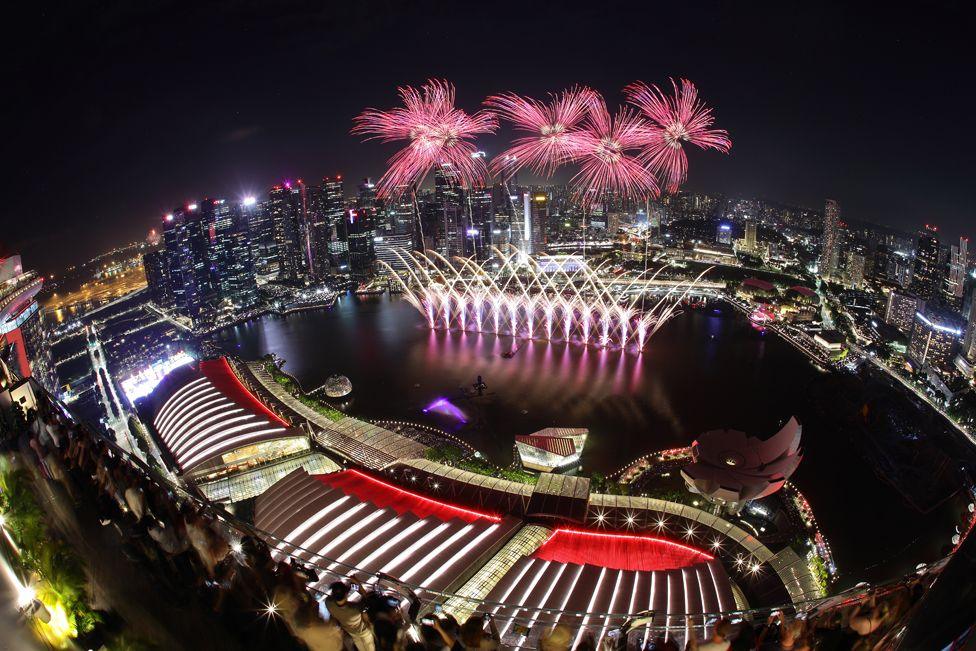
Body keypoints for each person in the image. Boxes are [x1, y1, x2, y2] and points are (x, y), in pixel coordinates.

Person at [324, 581, 375, 651]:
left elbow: (332, 598)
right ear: (345, 594)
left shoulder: (328, 603)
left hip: (352, 633)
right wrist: (357, 583)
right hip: (364, 632)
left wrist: (346, 589)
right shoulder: (355, 609)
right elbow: (366, 599)